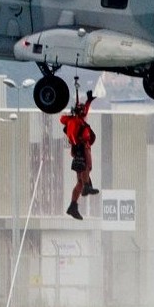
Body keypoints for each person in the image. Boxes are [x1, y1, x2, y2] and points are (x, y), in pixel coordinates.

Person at [60, 89, 99, 220]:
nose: (84, 111)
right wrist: (76, 145)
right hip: (80, 149)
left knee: (81, 180)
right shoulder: (74, 121)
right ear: (77, 111)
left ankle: (73, 205)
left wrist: (88, 101)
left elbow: (85, 111)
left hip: (82, 148)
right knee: (85, 170)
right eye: (81, 109)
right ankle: (87, 187)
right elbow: (71, 134)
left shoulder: (80, 119)